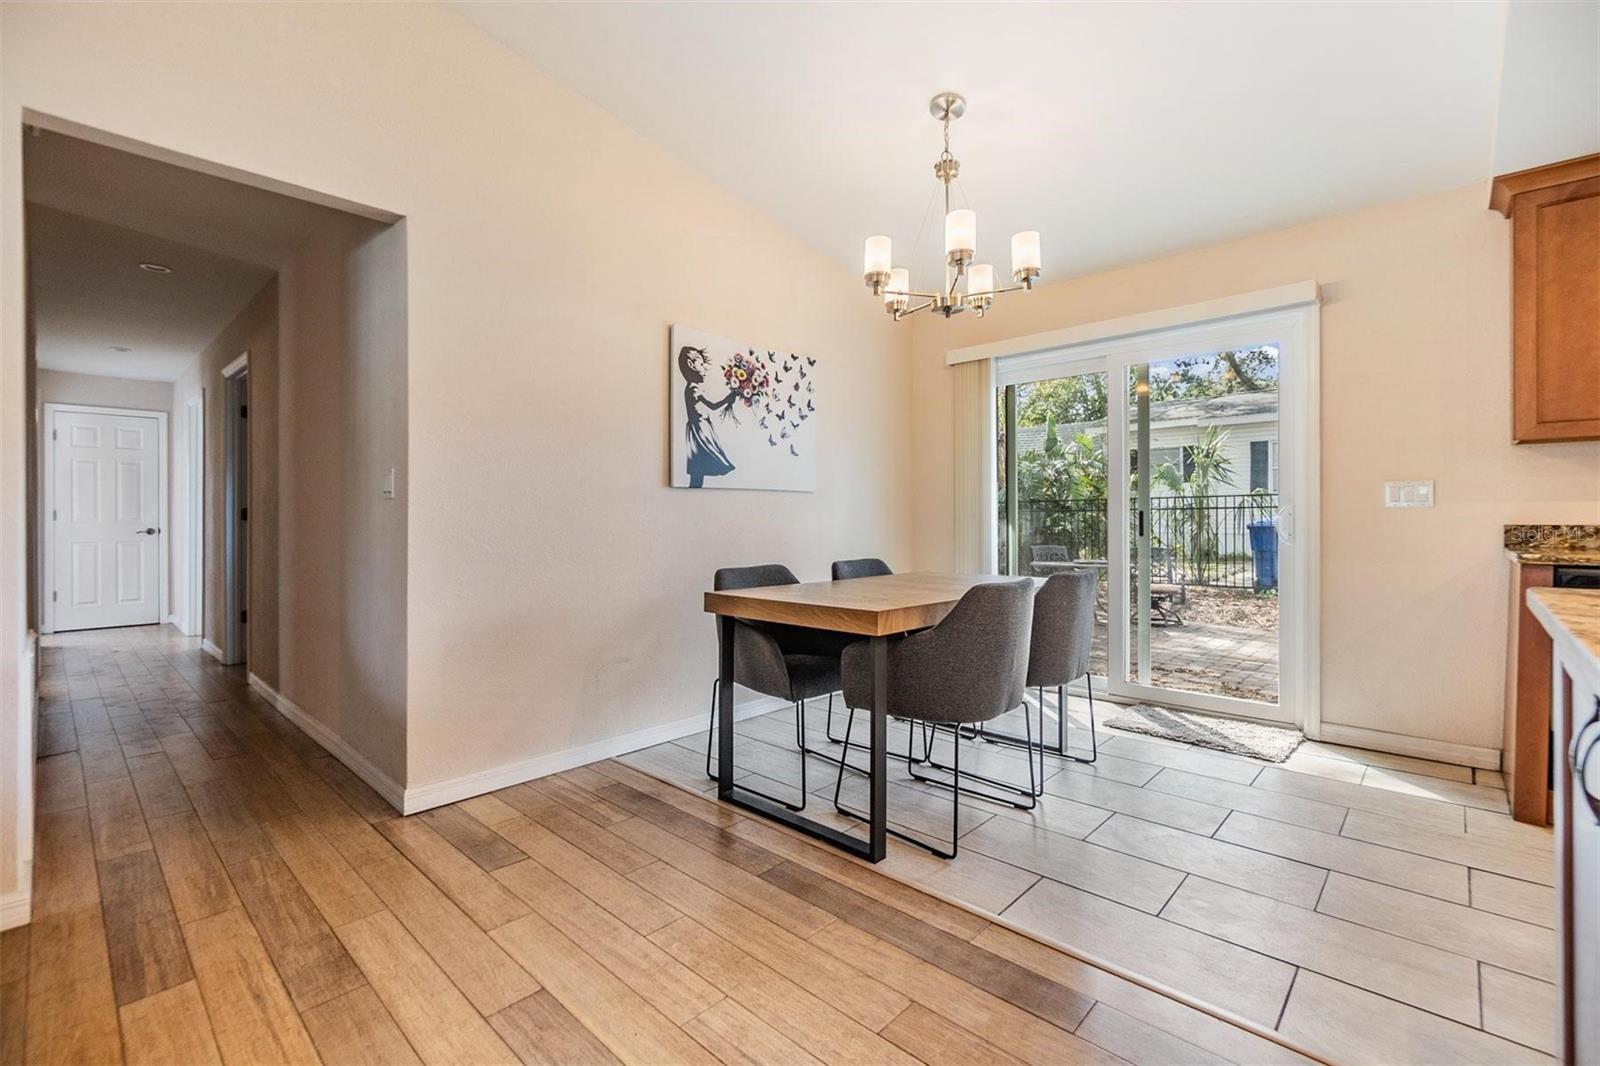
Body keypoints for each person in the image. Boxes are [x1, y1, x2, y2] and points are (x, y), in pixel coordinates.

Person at [679, 345, 736, 488]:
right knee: (699, 469)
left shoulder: (692, 387)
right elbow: (712, 406)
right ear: (691, 365)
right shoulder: (693, 388)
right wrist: (728, 399)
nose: (704, 366)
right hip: (700, 429)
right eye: (701, 362)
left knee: (698, 471)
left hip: (700, 427)